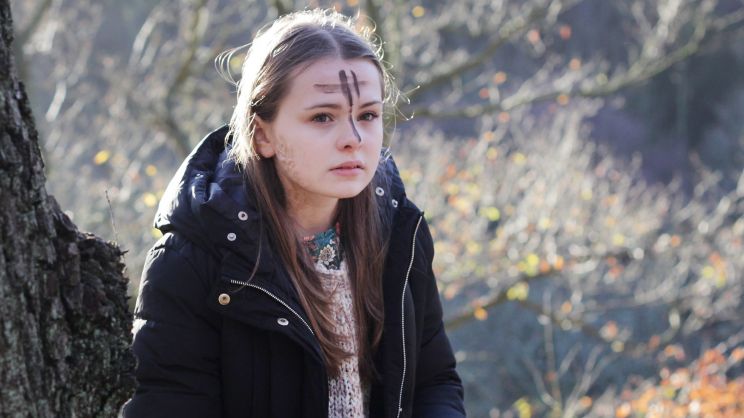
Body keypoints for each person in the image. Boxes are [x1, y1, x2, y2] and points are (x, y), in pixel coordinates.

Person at [121, 8, 465, 418]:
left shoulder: (399, 232)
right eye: (322, 117)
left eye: (368, 115)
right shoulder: (193, 260)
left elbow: (434, 382)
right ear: (261, 134)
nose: (354, 139)